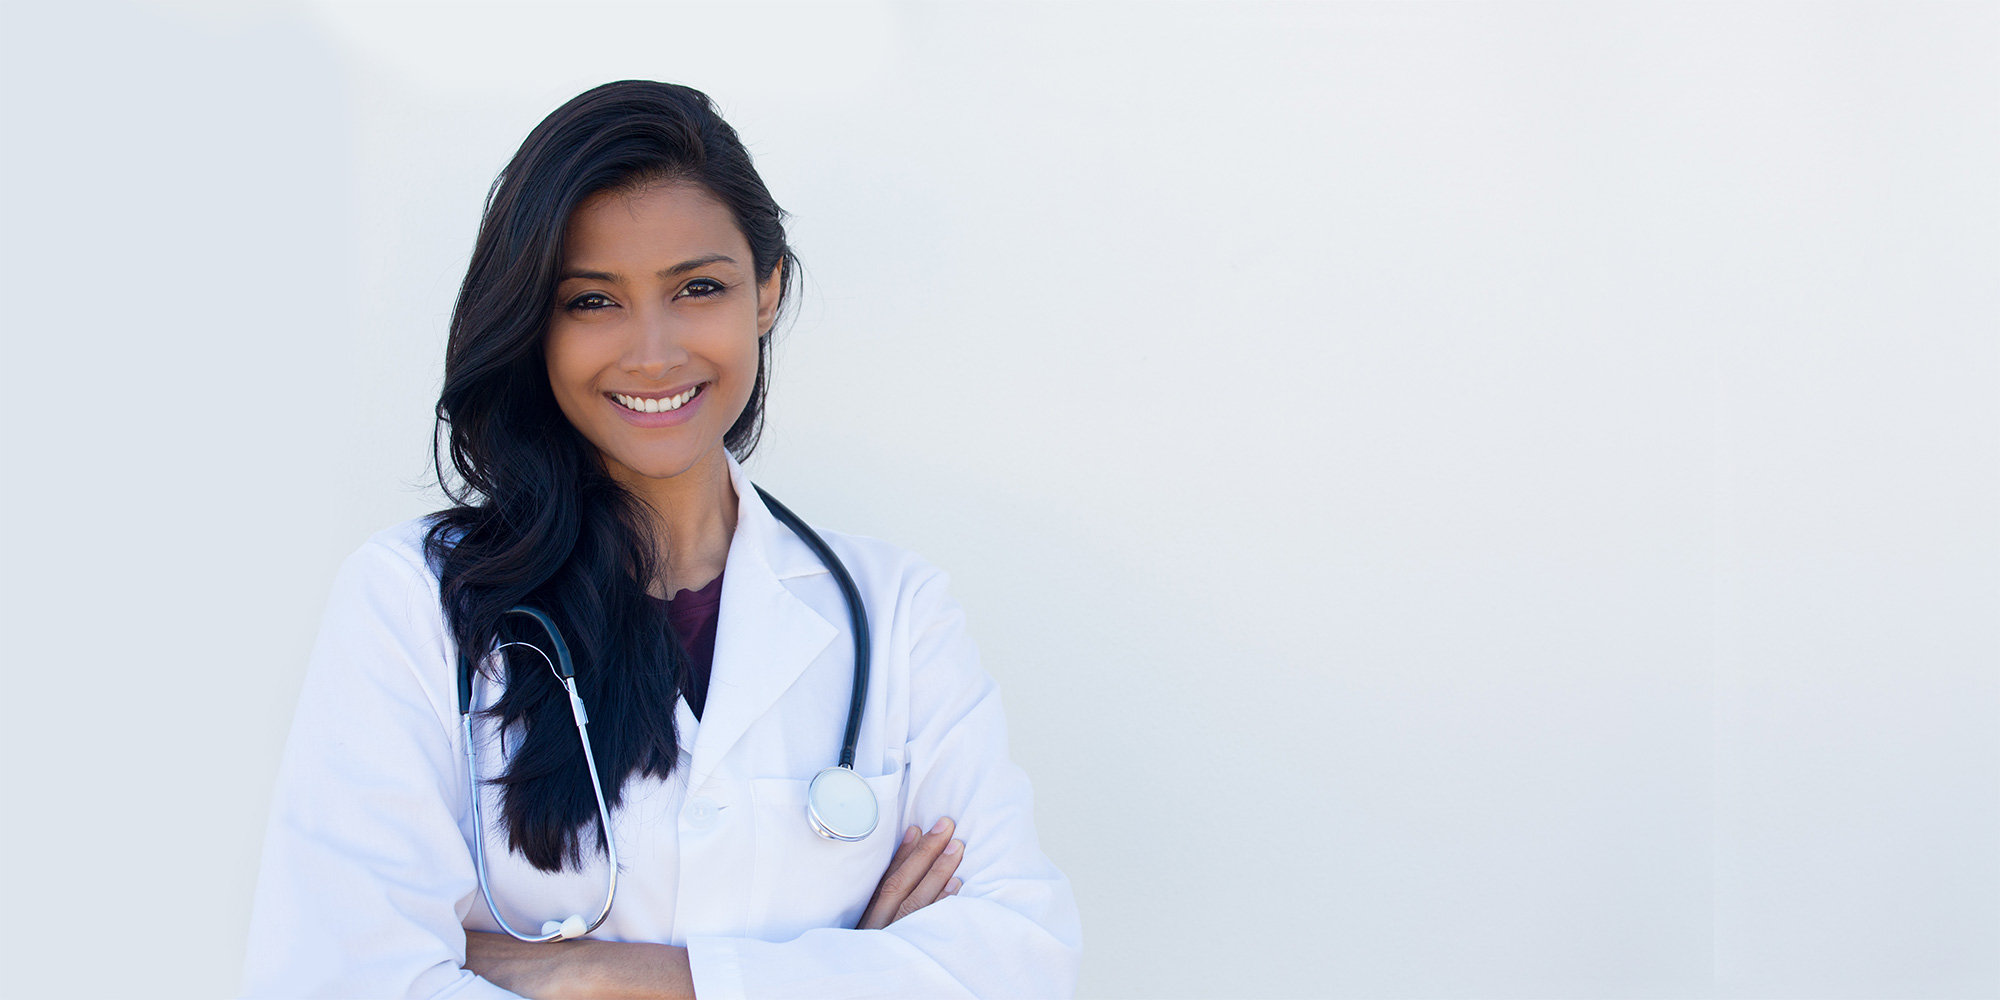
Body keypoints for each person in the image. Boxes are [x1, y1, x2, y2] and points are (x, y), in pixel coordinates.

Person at [241, 80, 1081, 999]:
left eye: (698, 289)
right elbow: (337, 975)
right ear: (536, 325)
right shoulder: (414, 603)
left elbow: (1021, 960)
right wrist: (853, 971)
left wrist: (597, 975)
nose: (651, 352)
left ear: (767, 292)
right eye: (593, 301)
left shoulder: (897, 614)